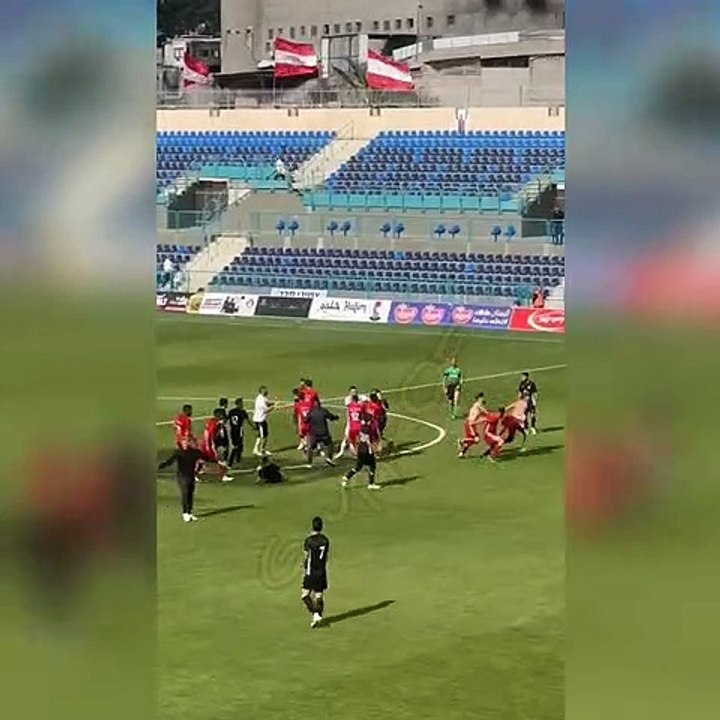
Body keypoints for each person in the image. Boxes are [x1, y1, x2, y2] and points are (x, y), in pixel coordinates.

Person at [158, 445, 213, 522]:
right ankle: (185, 513)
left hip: (191, 476)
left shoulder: (195, 452)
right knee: (185, 494)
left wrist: (204, 460)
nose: (185, 444)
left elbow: (206, 457)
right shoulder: (180, 453)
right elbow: (169, 462)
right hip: (182, 477)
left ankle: (189, 512)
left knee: (190, 494)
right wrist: (160, 466)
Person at [302, 516, 330, 628]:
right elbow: (326, 557)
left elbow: (306, 556)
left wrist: (304, 566)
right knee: (319, 595)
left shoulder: (309, 540)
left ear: (312, 526)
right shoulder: (325, 540)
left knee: (305, 595)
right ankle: (318, 617)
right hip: (321, 571)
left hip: (311, 571)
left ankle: (316, 614)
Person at [341, 417, 380, 490]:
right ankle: (371, 484)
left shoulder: (361, 428)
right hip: (367, 451)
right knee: (372, 466)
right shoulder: (368, 429)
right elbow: (368, 441)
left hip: (360, 450)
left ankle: (347, 477)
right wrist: (373, 449)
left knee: (358, 467)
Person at [199, 409, 232, 482]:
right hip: (209, 446)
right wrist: (213, 449)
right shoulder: (215, 425)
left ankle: (195, 474)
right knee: (221, 460)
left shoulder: (211, 422)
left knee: (202, 460)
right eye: (223, 416)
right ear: (220, 416)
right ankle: (223, 476)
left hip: (204, 445)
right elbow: (212, 437)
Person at [334, 386, 368, 459]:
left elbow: (366, 400)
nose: (354, 393)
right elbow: (349, 403)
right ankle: (342, 452)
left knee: (361, 438)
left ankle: (361, 452)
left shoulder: (359, 398)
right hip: (350, 422)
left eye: (355, 391)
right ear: (349, 392)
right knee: (347, 437)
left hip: (357, 423)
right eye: (352, 392)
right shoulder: (348, 399)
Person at [306, 402, 339, 467]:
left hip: (315, 434)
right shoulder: (323, 411)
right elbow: (331, 417)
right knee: (329, 444)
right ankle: (329, 458)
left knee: (310, 447)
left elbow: (306, 420)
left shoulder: (311, 412)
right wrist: (336, 417)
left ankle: (309, 462)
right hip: (324, 433)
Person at [457, 393, 488, 458]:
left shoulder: (475, 407)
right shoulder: (477, 405)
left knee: (470, 441)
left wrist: (483, 419)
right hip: (470, 424)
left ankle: (461, 453)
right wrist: (489, 415)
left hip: (469, 424)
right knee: (476, 440)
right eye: (482, 398)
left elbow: (478, 418)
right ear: (479, 398)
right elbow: (485, 412)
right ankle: (461, 441)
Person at [252, 385, 275, 457]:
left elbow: (267, 403)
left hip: (261, 419)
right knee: (263, 436)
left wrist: (272, 403)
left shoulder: (263, 398)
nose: (267, 391)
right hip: (259, 420)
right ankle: (259, 450)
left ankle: (260, 449)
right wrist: (273, 408)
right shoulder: (260, 400)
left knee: (263, 435)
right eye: (265, 390)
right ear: (262, 391)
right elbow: (266, 410)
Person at [227, 397, 249, 467]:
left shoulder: (231, 411)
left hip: (232, 431)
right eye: (241, 403)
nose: (242, 404)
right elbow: (248, 420)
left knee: (237, 445)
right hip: (239, 431)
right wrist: (254, 427)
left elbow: (227, 419)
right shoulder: (242, 412)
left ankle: (237, 459)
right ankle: (232, 461)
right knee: (238, 446)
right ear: (239, 404)